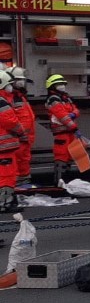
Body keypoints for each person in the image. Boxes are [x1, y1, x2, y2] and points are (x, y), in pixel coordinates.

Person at [0, 72, 29, 211]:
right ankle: (5, 203)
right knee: (7, 175)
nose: (11, 87)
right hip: (4, 147)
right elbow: (11, 121)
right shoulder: (1, 102)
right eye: (9, 85)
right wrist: (21, 133)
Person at [45, 74, 80, 186]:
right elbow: (62, 116)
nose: (62, 86)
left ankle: (66, 181)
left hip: (69, 131)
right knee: (61, 156)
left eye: (62, 84)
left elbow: (76, 110)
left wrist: (74, 114)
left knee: (69, 156)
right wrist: (74, 127)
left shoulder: (65, 98)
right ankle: (58, 181)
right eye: (59, 84)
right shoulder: (53, 99)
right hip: (61, 133)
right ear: (53, 86)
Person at [7, 67, 35, 188]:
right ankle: (16, 185)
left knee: (24, 160)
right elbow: (11, 118)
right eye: (18, 79)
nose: (21, 82)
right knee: (17, 161)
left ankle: (24, 182)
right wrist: (20, 132)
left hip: (25, 137)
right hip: (18, 137)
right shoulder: (10, 97)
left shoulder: (20, 96)